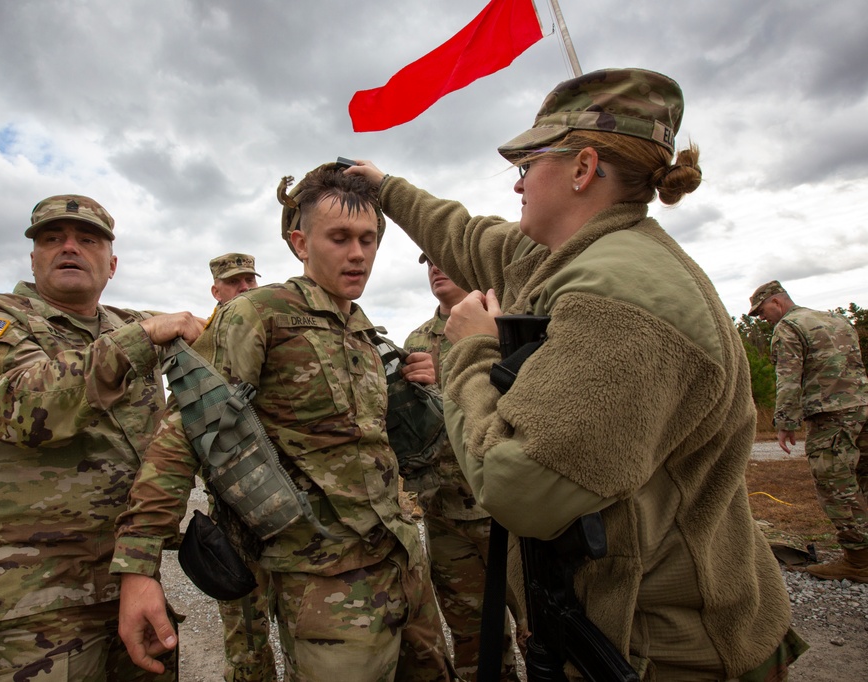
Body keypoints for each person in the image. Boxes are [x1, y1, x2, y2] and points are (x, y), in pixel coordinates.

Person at [347, 68, 806, 680]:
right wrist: (385, 187)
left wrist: (470, 354)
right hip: (614, 632)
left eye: (526, 165)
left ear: (582, 168)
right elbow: (465, 236)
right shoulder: (569, 254)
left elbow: (519, 489)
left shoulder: (622, 301)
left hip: (669, 654)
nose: (517, 187)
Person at [112, 163, 454, 682]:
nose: (357, 253)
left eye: (368, 239)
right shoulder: (259, 314)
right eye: (339, 237)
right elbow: (184, 433)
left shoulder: (362, 329)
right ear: (300, 242)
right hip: (325, 586)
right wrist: (139, 567)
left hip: (404, 562)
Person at [0, 194, 206, 681]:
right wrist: (142, 340)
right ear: (34, 257)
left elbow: (232, 346)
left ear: (112, 263)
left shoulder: (126, 323)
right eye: (52, 239)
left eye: (87, 240)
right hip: (34, 598)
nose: (69, 247)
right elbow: (14, 409)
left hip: (133, 577)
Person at [404, 255, 520, 681]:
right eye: (427, 262)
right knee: (473, 636)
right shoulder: (417, 339)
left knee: (541, 628)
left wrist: (448, 382)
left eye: (442, 258)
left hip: (509, 514)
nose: (435, 267)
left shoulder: (502, 322)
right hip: (446, 515)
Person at [749, 280, 868, 582]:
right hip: (862, 407)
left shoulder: (788, 327)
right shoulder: (835, 319)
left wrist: (785, 422)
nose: (764, 319)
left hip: (830, 416)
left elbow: (788, 378)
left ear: (776, 302)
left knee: (835, 485)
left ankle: (859, 561)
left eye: (763, 313)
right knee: (863, 477)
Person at [207, 251, 277, 682]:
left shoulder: (270, 328)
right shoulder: (199, 342)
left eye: (250, 278)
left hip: (288, 504)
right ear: (216, 291)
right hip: (235, 512)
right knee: (246, 633)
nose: (247, 288)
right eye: (235, 282)